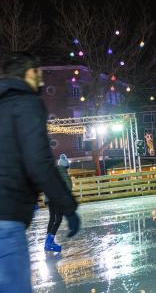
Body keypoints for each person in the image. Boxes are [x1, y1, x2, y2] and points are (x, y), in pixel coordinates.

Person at [0, 52, 80, 293]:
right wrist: (68, 206)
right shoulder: (26, 103)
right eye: (38, 74)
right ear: (28, 73)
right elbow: (38, 161)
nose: (42, 81)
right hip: (6, 216)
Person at [44, 154, 73, 252]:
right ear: (66, 166)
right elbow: (67, 187)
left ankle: (47, 242)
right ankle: (49, 241)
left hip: (49, 197)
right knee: (59, 219)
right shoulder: (63, 172)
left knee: (52, 218)